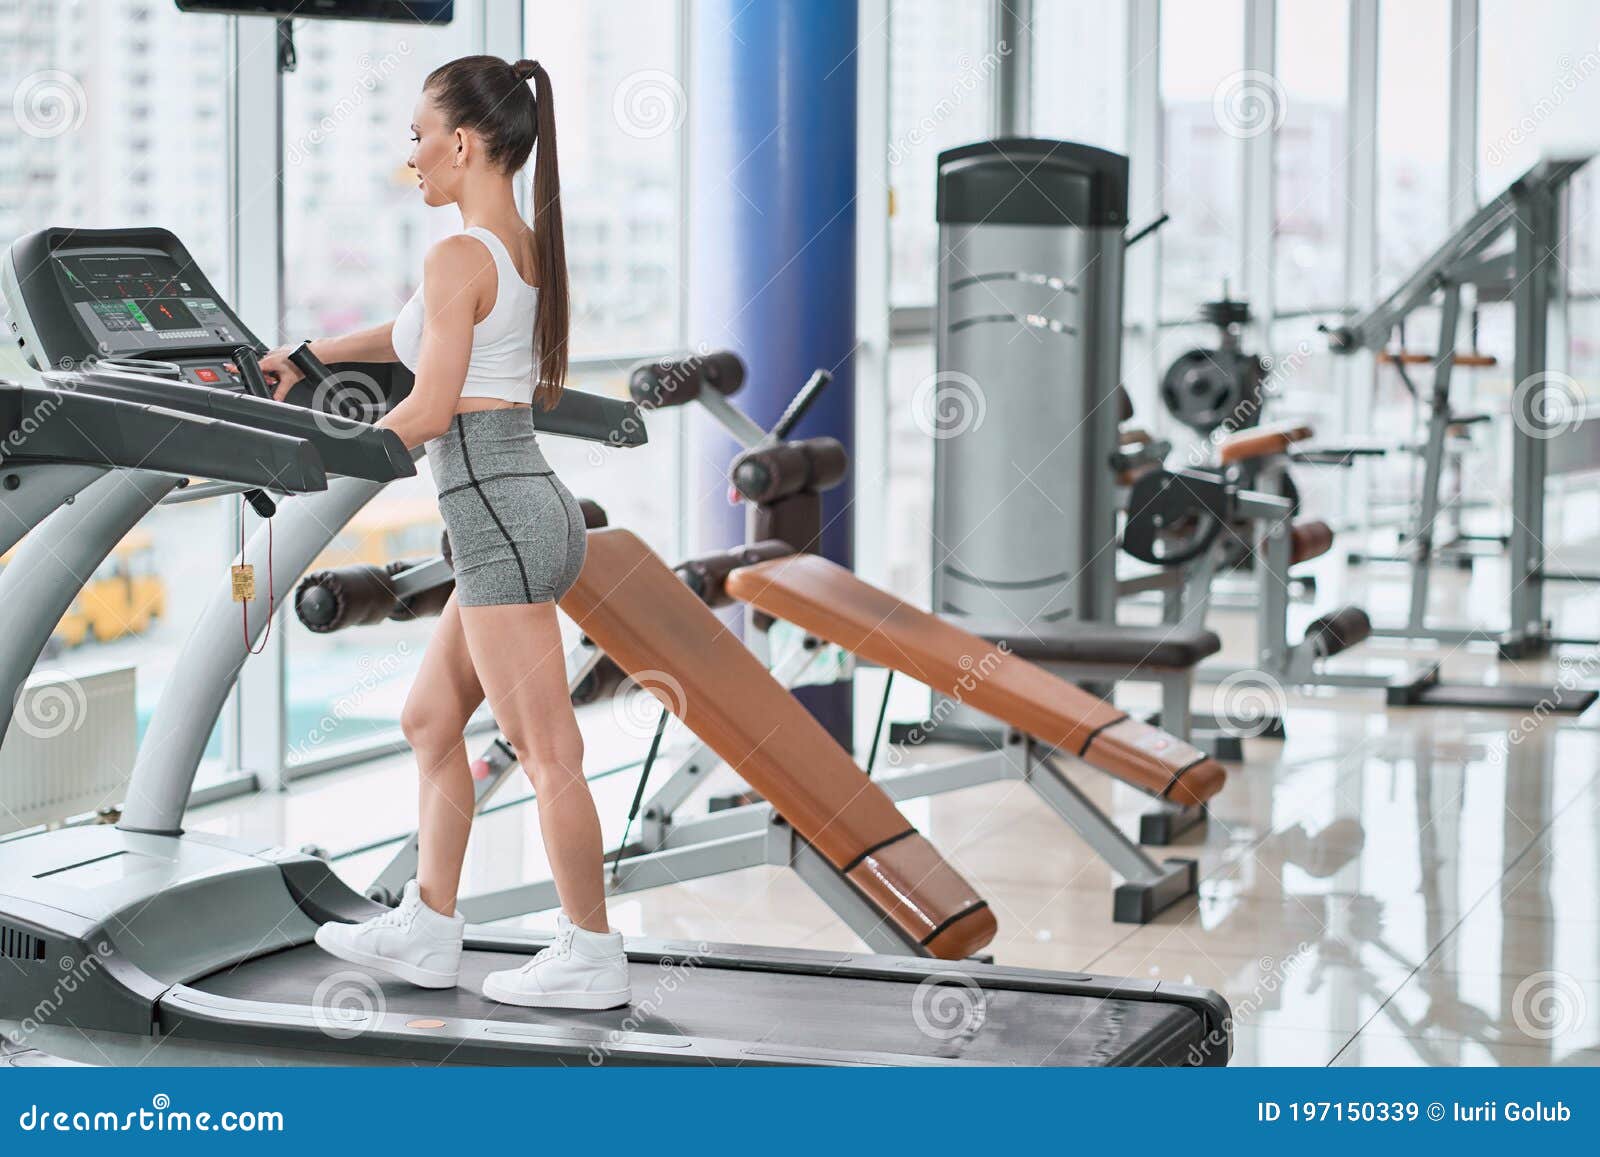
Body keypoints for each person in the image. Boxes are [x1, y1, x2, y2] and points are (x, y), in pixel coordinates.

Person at [261, 55, 629, 1011]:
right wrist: (313, 356)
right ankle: (428, 925)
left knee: (547, 751)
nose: (411, 156)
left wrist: (314, 449)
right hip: (518, 502)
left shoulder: (457, 252)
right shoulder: (513, 244)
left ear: (462, 143)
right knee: (430, 719)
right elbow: (422, 329)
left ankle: (591, 949)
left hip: (497, 515)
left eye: (418, 135)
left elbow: (426, 408)